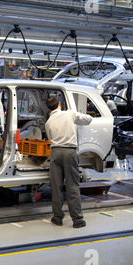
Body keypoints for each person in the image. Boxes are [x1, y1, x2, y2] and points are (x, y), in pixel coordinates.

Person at [45, 96, 92, 228]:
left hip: (55, 153)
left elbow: (50, 138)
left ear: (48, 108)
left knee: (56, 186)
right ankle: (77, 220)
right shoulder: (69, 113)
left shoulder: (48, 122)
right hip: (70, 152)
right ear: (59, 104)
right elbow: (87, 119)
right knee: (72, 186)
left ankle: (57, 218)